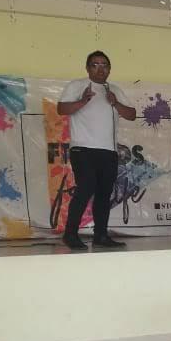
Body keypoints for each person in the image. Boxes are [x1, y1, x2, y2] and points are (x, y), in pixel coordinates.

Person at [56, 51, 136, 250]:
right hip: (83, 148)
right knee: (86, 188)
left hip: (108, 150)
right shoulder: (77, 85)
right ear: (87, 68)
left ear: (109, 69)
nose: (100, 69)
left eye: (104, 65)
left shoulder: (114, 90)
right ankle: (70, 234)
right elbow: (61, 109)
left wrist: (115, 102)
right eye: (95, 64)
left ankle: (100, 235)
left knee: (104, 193)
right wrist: (83, 100)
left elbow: (132, 115)